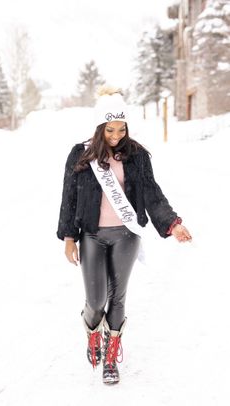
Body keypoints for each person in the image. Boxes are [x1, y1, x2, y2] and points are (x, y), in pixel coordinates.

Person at [56, 87, 192, 385]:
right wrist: (68, 237)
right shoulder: (80, 155)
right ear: (99, 126)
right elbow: (69, 197)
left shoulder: (137, 156)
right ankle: (93, 332)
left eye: (121, 128)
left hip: (127, 235)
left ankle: (110, 356)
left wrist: (172, 223)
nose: (116, 135)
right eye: (110, 129)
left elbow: (152, 193)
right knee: (96, 298)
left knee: (117, 298)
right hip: (91, 234)